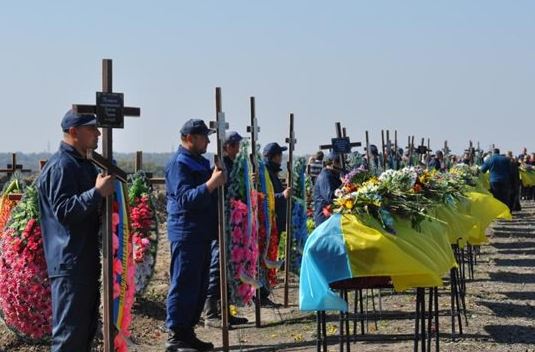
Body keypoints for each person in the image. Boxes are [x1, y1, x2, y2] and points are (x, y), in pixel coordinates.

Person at [37, 110, 114, 351]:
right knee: (69, 336)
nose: (98, 133)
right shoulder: (62, 165)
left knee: (84, 333)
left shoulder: (84, 163)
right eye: (91, 128)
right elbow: (64, 211)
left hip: (83, 260)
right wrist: (97, 193)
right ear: (73, 132)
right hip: (69, 263)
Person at [165, 118, 226, 352]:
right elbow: (185, 198)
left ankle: (188, 331)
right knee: (184, 283)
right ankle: (176, 335)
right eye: (203, 137)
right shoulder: (179, 164)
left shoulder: (198, 162)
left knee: (199, 286)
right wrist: (211, 183)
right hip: (186, 232)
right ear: (189, 138)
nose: (208, 141)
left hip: (201, 233)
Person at [204, 131, 248, 328]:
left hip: (233, 225)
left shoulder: (234, 165)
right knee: (217, 267)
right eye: (235, 145)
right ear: (226, 146)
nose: (238, 149)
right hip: (220, 224)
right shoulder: (219, 165)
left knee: (229, 268)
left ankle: (226, 311)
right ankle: (211, 313)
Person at [261, 142, 291, 304]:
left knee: (270, 256)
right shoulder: (264, 172)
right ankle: (261, 295)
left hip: (275, 223)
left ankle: (264, 292)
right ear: (274, 157)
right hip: (269, 223)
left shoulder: (272, 172)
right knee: (265, 258)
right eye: (279, 155)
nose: (281, 158)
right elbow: (264, 196)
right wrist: (282, 196)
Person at [313, 152, 343, 226]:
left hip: (330, 218)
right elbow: (330, 197)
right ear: (333, 163)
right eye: (339, 163)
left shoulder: (332, 175)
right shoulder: (326, 176)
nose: (341, 166)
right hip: (325, 219)